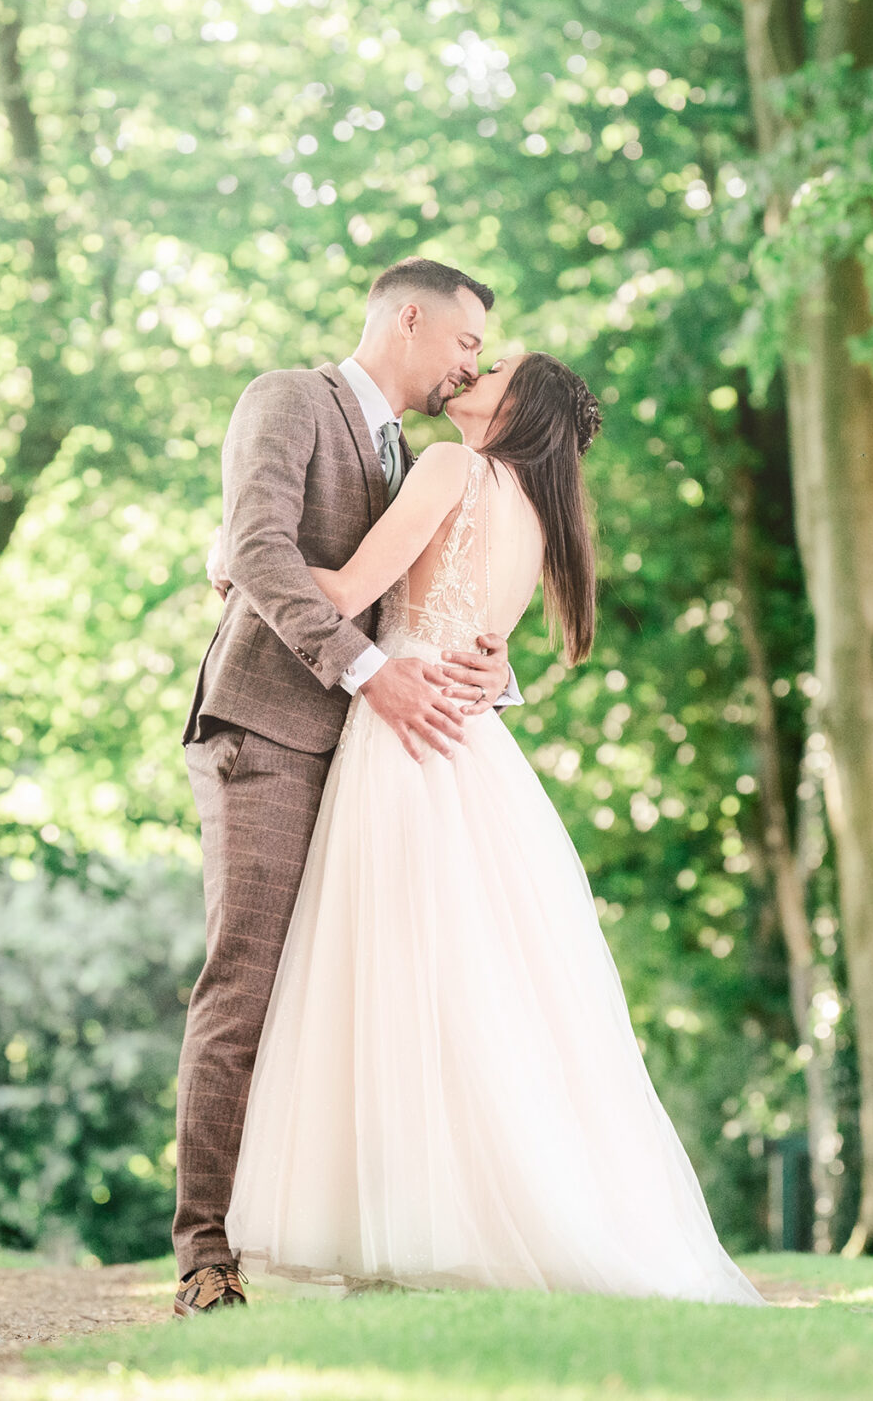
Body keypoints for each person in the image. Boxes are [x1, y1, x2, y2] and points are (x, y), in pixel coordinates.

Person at [225, 345, 764, 1307]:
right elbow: (473, 633)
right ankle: (462, 1221)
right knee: (472, 987)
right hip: (474, 753)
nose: (474, 372)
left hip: (403, 740)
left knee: (394, 979)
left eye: (496, 367)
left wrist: (232, 557)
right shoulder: (537, 518)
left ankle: (408, 1229)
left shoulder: (450, 467)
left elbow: (344, 596)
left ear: (521, 406)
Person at [172, 257, 517, 1315]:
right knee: (248, 985)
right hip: (271, 729)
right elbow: (259, 550)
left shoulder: (423, 458)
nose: (471, 366)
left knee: (371, 995)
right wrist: (371, 676)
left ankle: (369, 1242)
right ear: (409, 318)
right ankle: (205, 1255)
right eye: (465, 341)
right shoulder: (286, 400)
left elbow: (427, 599)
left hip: (380, 765)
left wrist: (492, 673)